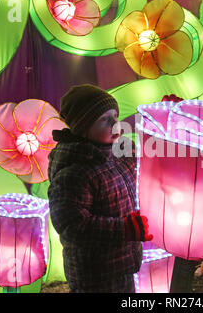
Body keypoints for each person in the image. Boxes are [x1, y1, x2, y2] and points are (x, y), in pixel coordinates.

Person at [47, 84, 153, 293]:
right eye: (105, 119)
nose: (116, 124)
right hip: (94, 274)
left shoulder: (117, 151)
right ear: (83, 128)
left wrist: (166, 117)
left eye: (115, 115)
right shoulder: (74, 174)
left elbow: (149, 159)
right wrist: (124, 229)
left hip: (122, 263)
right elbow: (72, 226)